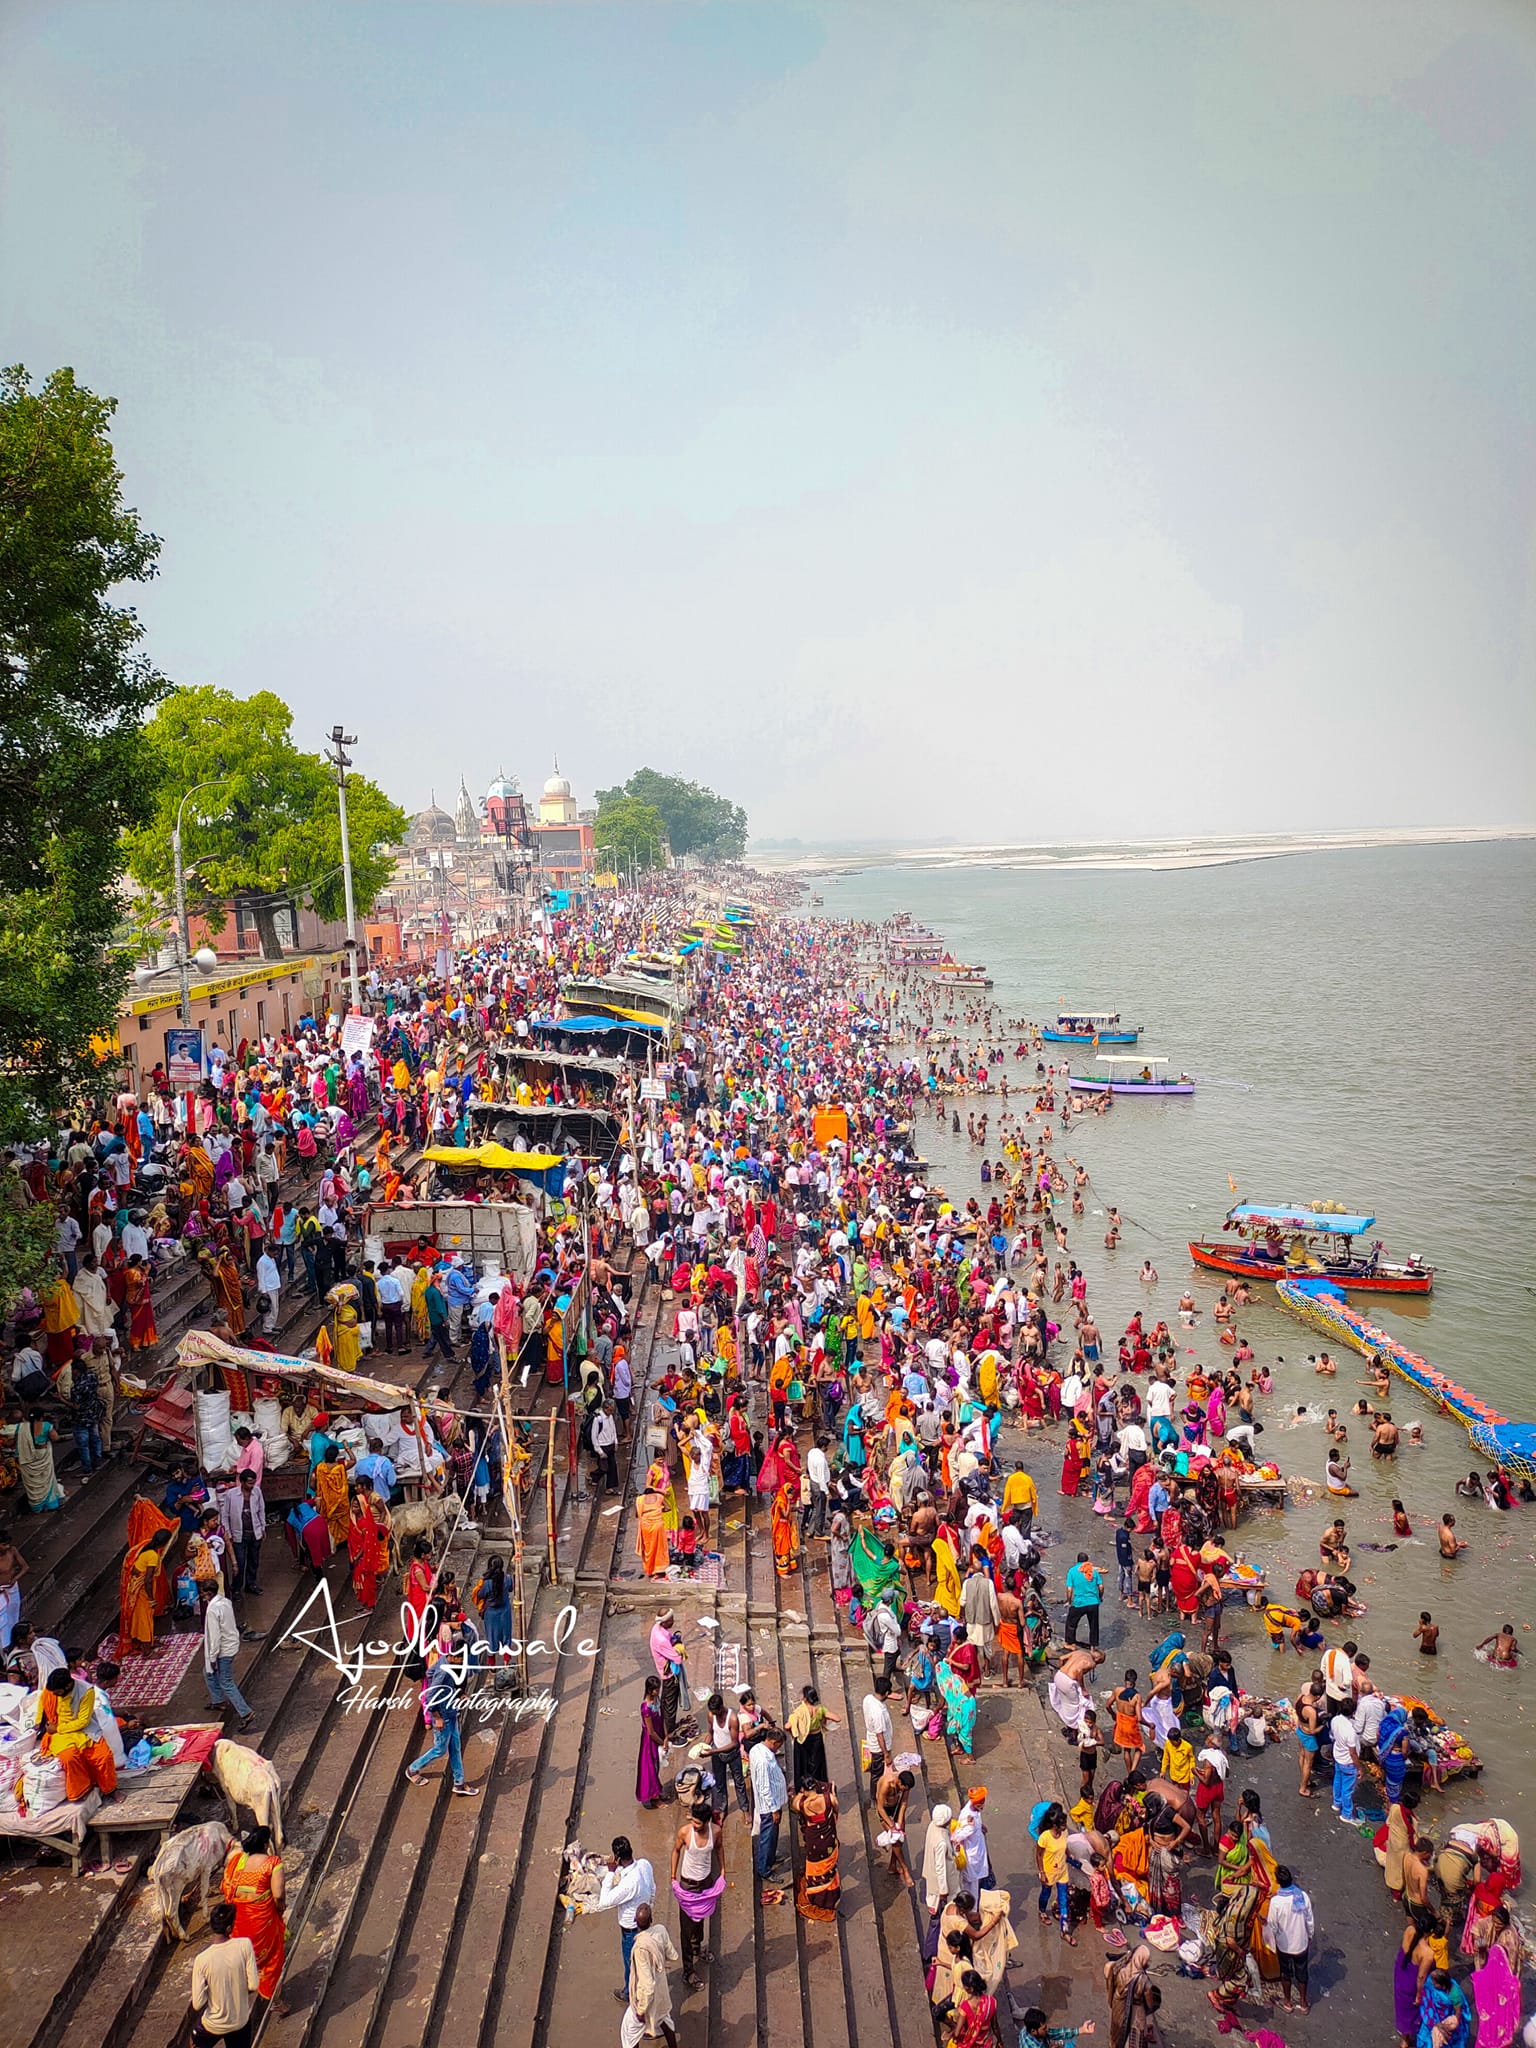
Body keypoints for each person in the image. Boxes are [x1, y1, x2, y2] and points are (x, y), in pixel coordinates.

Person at [405, 1636, 477, 1795]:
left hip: (451, 1710)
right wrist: (436, 1717)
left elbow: (430, 1673)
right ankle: (413, 1769)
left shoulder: (449, 1663)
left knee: (455, 1746)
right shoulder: (443, 1671)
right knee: (440, 1749)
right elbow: (430, 1697)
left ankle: (459, 1782)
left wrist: (460, 1694)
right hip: (442, 1714)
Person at [222, 1825, 286, 2002]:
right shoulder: (273, 1863)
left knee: (242, 1954)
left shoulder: (237, 1861)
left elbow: (226, 1886)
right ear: (266, 1844)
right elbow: (279, 1896)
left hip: (238, 1920)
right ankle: (272, 1998)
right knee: (272, 1957)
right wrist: (280, 1911)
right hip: (262, 1920)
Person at [35, 1668, 118, 1800]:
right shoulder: (52, 1690)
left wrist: (58, 1729)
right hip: (61, 1733)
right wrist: (38, 1723)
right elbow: (42, 1703)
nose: (55, 1695)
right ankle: (82, 1790)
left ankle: (110, 1789)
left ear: (68, 1686)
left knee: (104, 1756)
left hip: (84, 1730)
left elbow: (83, 1722)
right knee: (69, 1757)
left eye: (58, 1693)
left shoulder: (87, 1691)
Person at [591, 1835, 656, 2001]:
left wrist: (611, 1873)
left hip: (631, 1929)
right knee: (641, 1959)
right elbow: (653, 1889)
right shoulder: (644, 1865)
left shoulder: (629, 1884)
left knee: (631, 1963)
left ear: (618, 1858)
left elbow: (604, 1902)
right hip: (645, 1922)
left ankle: (629, 1992)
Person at [190, 1901, 260, 2048]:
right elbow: (253, 1985)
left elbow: (197, 2003)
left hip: (214, 2024)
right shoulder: (245, 1945)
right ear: (229, 1928)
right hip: (240, 2021)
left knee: (194, 2042)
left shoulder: (202, 1959)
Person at [670, 1800, 725, 1984]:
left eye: (698, 1823)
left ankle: (697, 1948)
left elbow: (719, 1849)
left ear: (707, 1821)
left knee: (700, 1919)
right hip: (687, 1884)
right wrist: (673, 1876)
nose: (694, 1826)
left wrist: (723, 1870)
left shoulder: (716, 1832)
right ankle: (688, 1971)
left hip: (706, 1883)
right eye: (693, 1822)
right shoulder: (685, 1833)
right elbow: (676, 1851)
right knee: (686, 1928)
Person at [621, 1904, 679, 2048]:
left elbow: (647, 1985)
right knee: (664, 2019)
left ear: (635, 1921)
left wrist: (640, 2010)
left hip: (646, 1996)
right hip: (661, 1987)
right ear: (651, 1919)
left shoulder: (640, 1948)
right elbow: (672, 1955)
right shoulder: (660, 1930)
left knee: (629, 2031)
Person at [1264, 1864, 1313, 2014]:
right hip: (1301, 1944)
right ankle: (1304, 2003)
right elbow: (1309, 1920)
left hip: (1284, 1945)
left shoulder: (1276, 1902)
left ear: (1278, 1882)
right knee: (1302, 1973)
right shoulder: (1302, 1896)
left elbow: (1272, 1925)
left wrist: (1271, 1938)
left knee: (1286, 1973)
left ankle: (1287, 2002)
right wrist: (1309, 1935)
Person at [203, 1582, 254, 1726]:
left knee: (226, 1681)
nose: (201, 1596)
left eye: (203, 1593)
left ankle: (246, 1712)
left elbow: (215, 1635)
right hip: (231, 1644)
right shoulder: (225, 1601)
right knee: (208, 1673)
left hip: (223, 1649)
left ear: (209, 1593)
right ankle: (218, 1700)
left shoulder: (212, 1610)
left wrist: (212, 1658)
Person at [791, 1780, 842, 1919]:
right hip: (828, 1842)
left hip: (814, 1844)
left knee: (815, 1872)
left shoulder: (802, 1804)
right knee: (829, 1871)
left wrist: (801, 1794)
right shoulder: (828, 1798)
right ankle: (830, 1900)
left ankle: (817, 1899)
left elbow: (793, 1803)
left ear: (805, 1789)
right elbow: (836, 1809)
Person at [748, 1727, 788, 1893]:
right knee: (768, 1837)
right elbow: (764, 1787)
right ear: (773, 1742)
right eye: (778, 1745)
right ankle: (764, 1868)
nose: (779, 1748)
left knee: (772, 1836)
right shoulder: (763, 1760)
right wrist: (774, 1810)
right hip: (768, 1806)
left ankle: (771, 1857)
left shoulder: (757, 1748)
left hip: (774, 1802)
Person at [636, 1675, 667, 1808]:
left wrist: (666, 1736)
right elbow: (651, 1732)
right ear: (650, 1690)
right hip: (651, 1741)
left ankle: (656, 1792)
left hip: (659, 1736)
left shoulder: (657, 1700)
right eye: (656, 1690)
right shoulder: (646, 1708)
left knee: (657, 1765)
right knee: (651, 1768)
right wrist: (662, 1742)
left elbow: (662, 1718)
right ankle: (654, 1798)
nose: (658, 1691)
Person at [1064, 1552, 1104, 1649]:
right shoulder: (1093, 1571)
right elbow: (1101, 1586)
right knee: (1094, 1625)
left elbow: (1069, 1589)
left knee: (1071, 1623)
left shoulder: (1072, 1571)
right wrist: (1100, 1597)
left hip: (1079, 1602)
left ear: (1077, 1560)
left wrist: (1069, 1601)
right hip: (1093, 1602)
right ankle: (1093, 1647)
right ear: (1087, 1560)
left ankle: (1070, 1643)